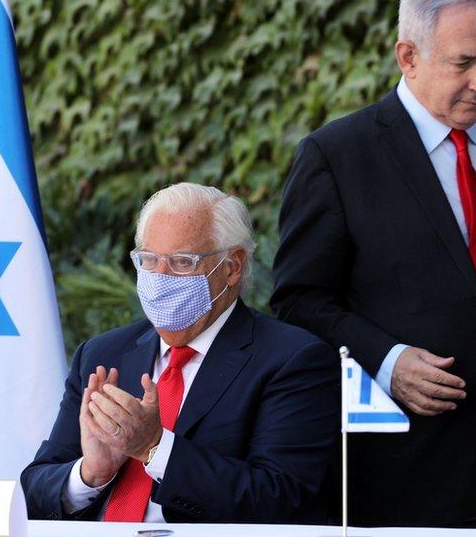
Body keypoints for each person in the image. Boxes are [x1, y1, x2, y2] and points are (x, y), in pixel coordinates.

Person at [270, 0, 476, 529]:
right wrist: (387, 360)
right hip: (405, 478)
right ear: (408, 57)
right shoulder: (336, 156)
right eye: (463, 63)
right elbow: (298, 301)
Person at [21, 182, 338, 523]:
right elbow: (34, 491)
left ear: (231, 266)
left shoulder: (293, 360)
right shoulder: (103, 354)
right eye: (148, 260)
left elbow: (277, 499)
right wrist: (90, 474)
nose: (160, 277)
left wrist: (155, 449)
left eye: (182, 263)